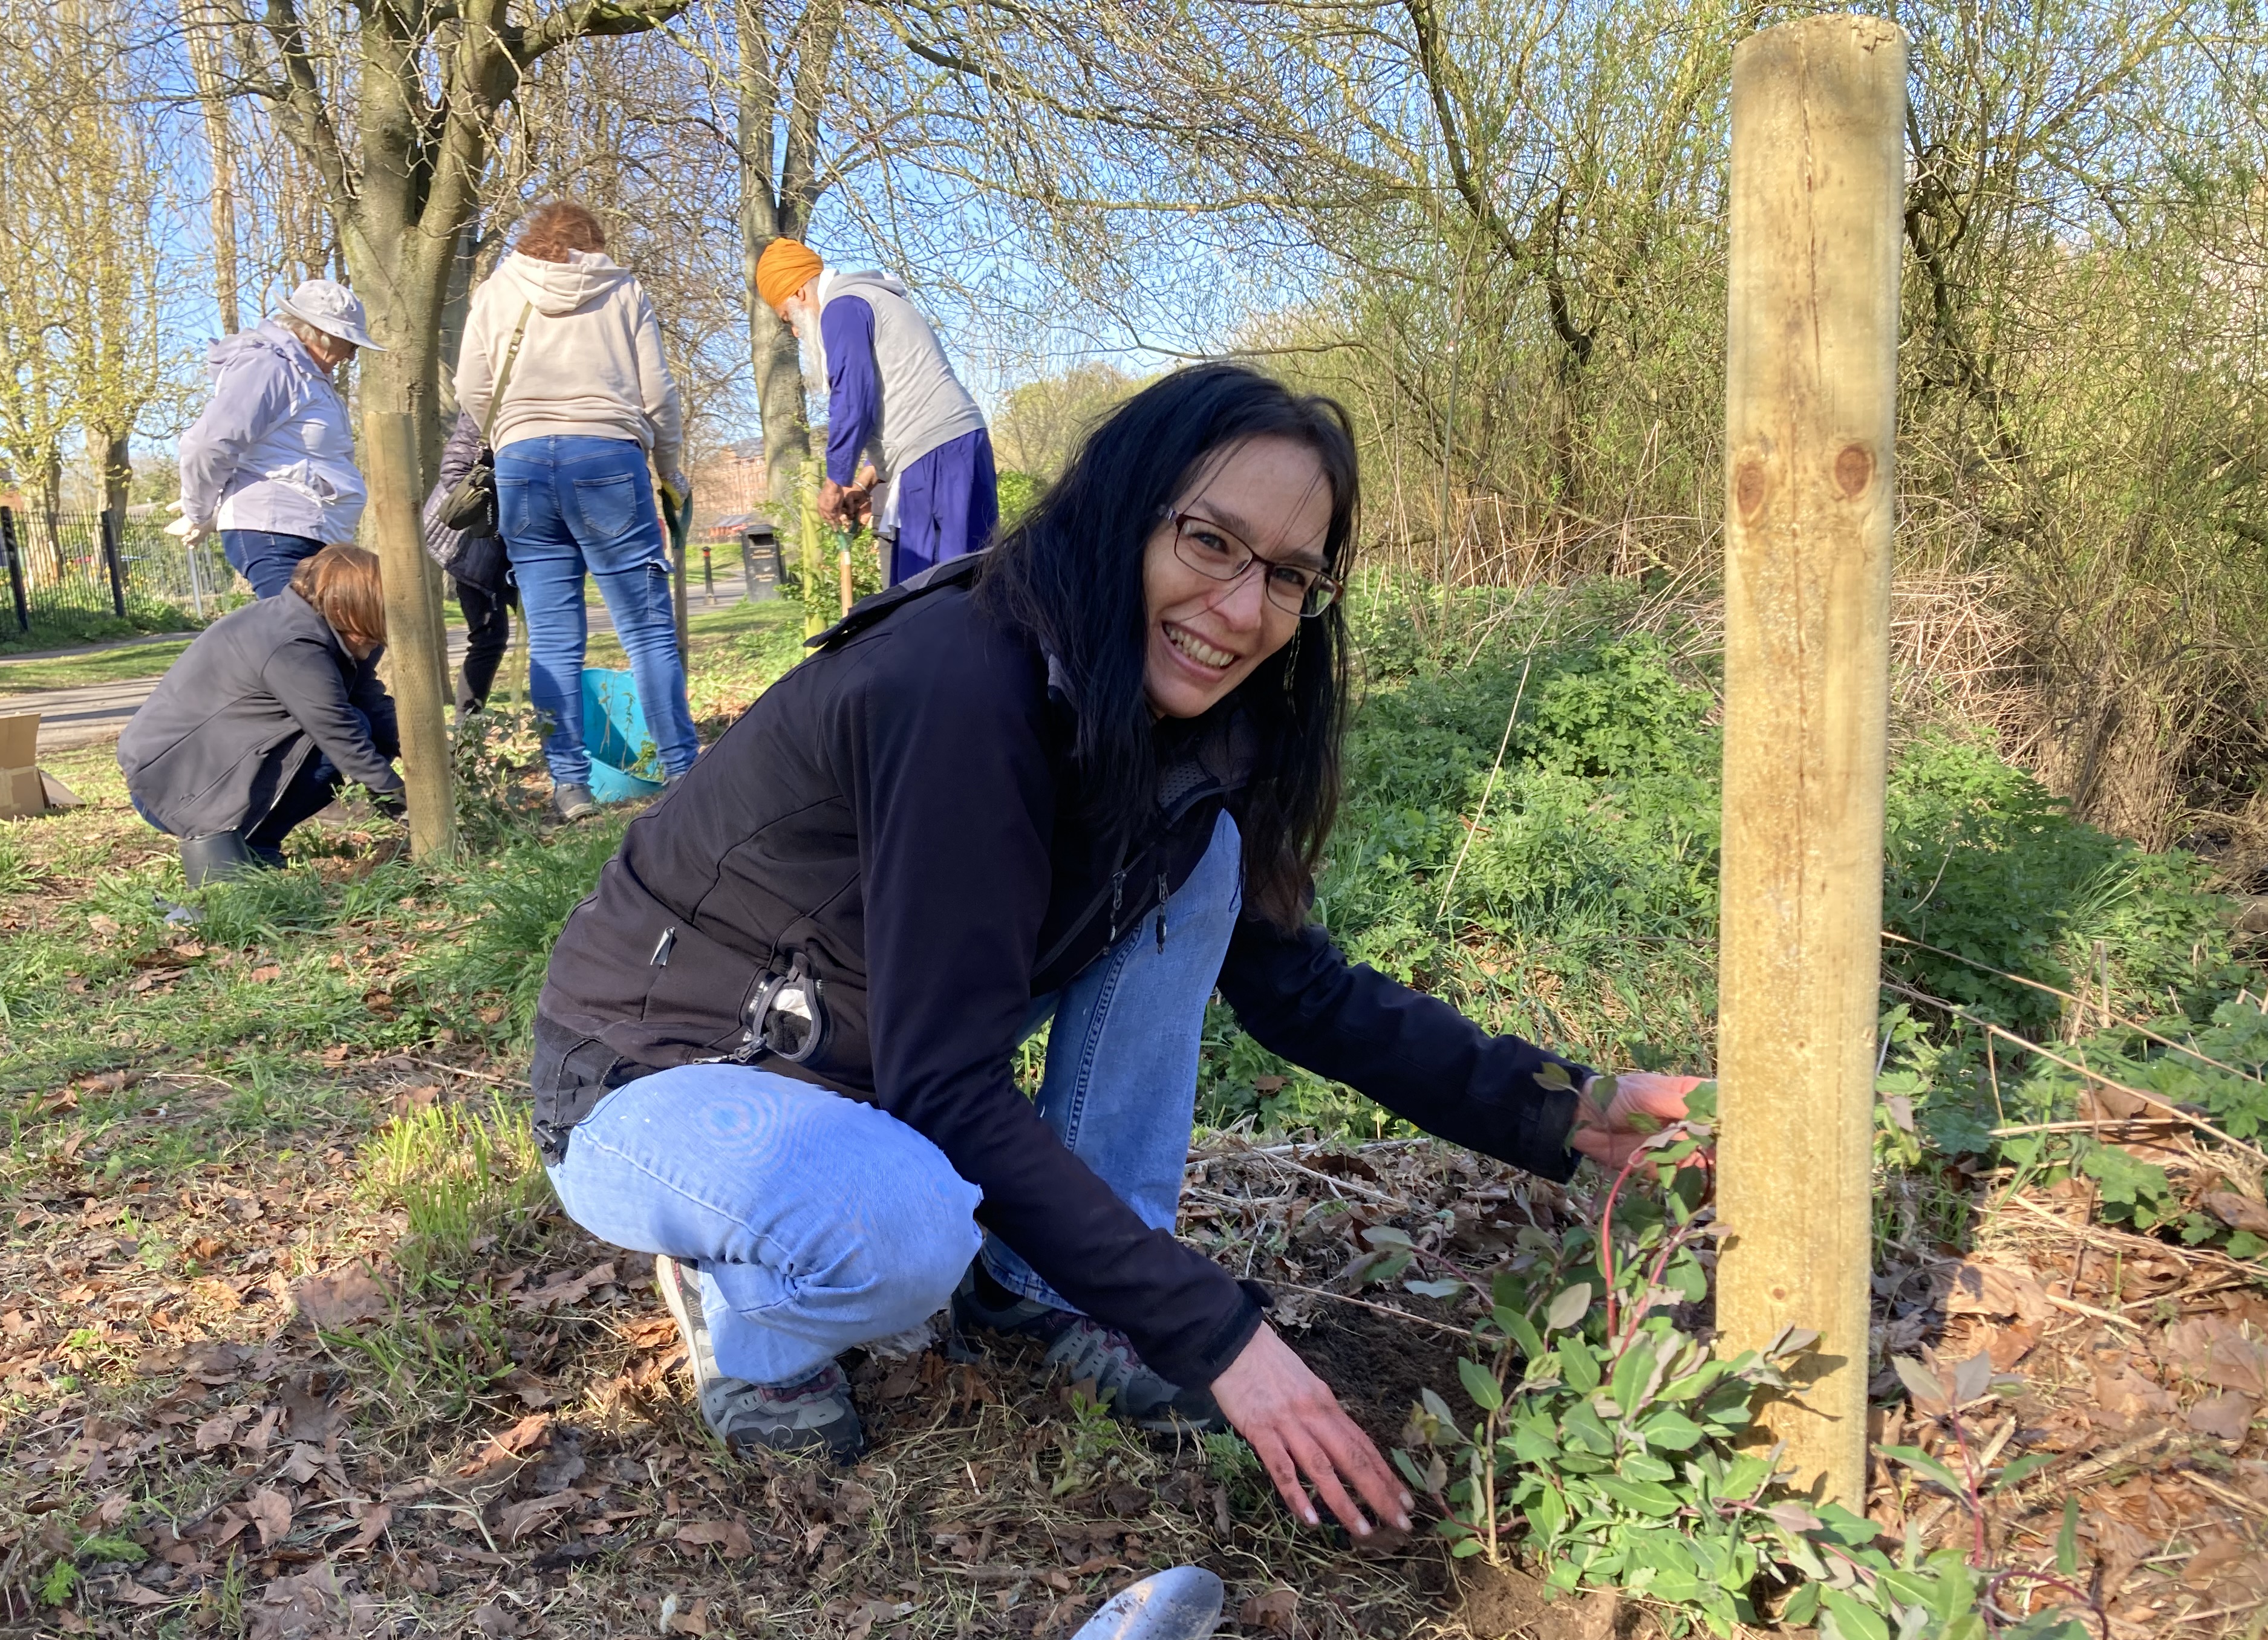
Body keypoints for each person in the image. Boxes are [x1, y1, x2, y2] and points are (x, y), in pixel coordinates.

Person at [526, 364, 1699, 1537]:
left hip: (866, 1066)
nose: (1243, 611)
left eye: (1289, 575)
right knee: (901, 1228)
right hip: (657, 1067)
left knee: (1209, 867)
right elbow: (950, 1086)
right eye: (1209, 542)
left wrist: (1558, 1103)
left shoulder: (1186, 725)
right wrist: (1218, 1333)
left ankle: (1047, 1290)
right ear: (1120, 515)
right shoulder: (961, 685)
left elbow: (1292, 986)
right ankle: (750, 1317)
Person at [455, 200, 697, 823]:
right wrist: (669, 471)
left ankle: (571, 786)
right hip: (607, 458)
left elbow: (470, 385)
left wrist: (506, 432)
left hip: (523, 465)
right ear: (595, 245)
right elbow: (658, 395)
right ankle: (681, 769)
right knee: (645, 629)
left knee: (555, 640)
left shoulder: (497, 290)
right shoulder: (622, 290)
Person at [118, 543, 405, 887]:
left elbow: (373, 704)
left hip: (189, 771)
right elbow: (343, 737)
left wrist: (434, 757)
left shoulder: (314, 628)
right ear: (346, 609)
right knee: (346, 734)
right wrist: (409, 811)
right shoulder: (294, 645)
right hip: (173, 785)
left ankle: (253, 841)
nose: (376, 641)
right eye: (372, 624)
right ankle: (252, 847)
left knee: (364, 723)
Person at [755, 238, 998, 587]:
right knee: (974, 586)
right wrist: (866, 479)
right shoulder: (870, 298)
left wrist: (835, 481)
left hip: (935, 458)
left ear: (800, 293)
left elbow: (854, 398)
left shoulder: (841, 307)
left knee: (927, 598)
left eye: (787, 317)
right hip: (958, 446)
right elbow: (900, 397)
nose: (795, 331)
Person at [174, 279, 377, 600]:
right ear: (321, 334)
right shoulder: (269, 366)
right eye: (350, 344)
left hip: (310, 534)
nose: (352, 357)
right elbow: (209, 443)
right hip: (277, 534)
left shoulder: (307, 374)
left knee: (348, 641)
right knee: (304, 641)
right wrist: (197, 512)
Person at [423, 409, 516, 715]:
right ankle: (467, 742)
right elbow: (455, 472)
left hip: (519, 539)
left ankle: (556, 737)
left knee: (550, 633)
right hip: (475, 544)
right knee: (490, 636)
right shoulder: (485, 402)